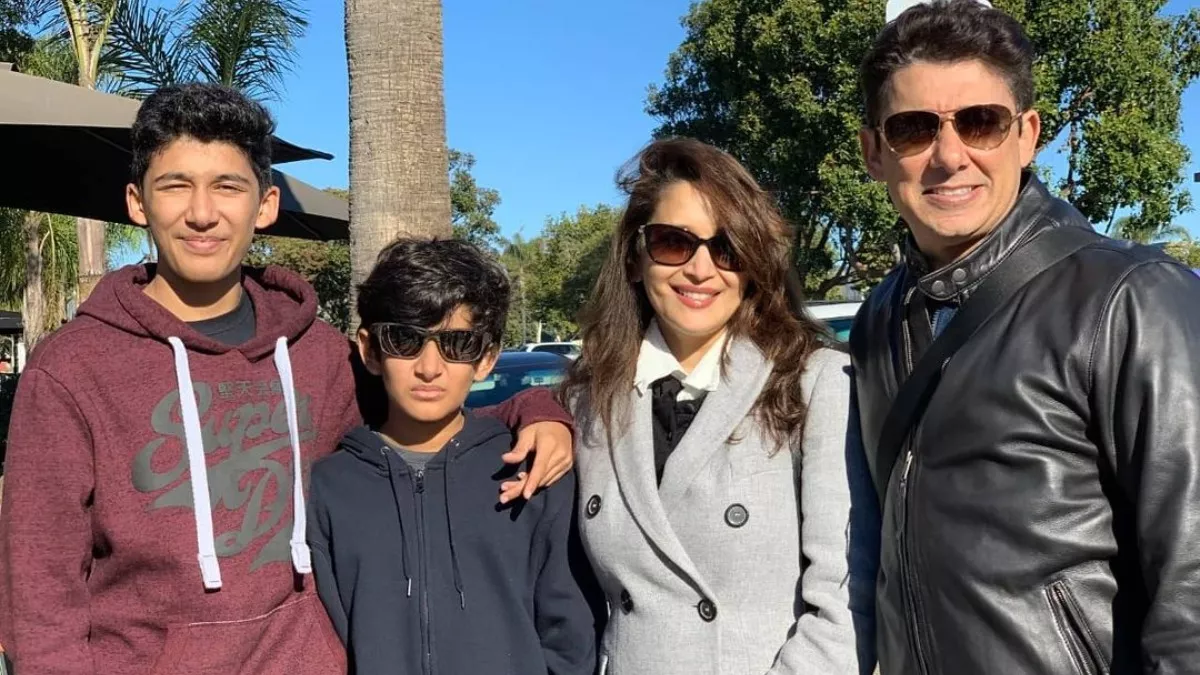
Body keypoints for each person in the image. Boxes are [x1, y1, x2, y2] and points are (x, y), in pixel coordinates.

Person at [0, 83, 574, 675]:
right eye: (175, 185)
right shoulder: (72, 369)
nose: (202, 212)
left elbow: (428, 406)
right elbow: (40, 601)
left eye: (228, 186)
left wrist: (536, 410)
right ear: (137, 202)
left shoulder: (318, 355)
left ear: (266, 205)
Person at [852, 1, 1200, 673]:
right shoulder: (876, 321)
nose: (949, 156)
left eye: (980, 122)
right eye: (914, 128)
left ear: (1027, 134)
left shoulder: (1132, 298)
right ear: (874, 151)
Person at [563, 138, 872, 675]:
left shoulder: (814, 381)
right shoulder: (589, 400)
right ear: (635, 258)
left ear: (753, 265)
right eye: (673, 242)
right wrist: (532, 414)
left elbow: (845, 602)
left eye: (728, 247)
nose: (701, 269)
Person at [308, 238, 599, 674]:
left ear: (486, 359)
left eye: (457, 344)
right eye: (404, 340)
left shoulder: (532, 472)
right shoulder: (329, 488)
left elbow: (571, 638)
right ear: (370, 350)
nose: (429, 367)